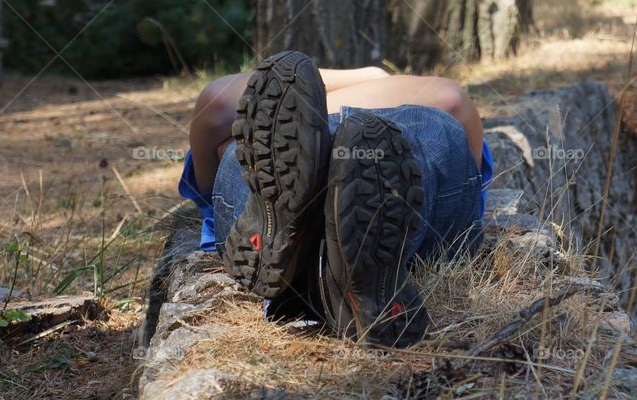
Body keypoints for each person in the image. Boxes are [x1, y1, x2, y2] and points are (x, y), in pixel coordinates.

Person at [179, 51, 493, 348]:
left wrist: (346, 83)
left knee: (252, 163)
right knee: (398, 152)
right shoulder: (413, 114)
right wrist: (375, 76)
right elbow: (452, 100)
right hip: (401, 138)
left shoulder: (251, 138)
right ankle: (354, 283)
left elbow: (218, 103)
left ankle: (301, 263)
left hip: (265, 179)